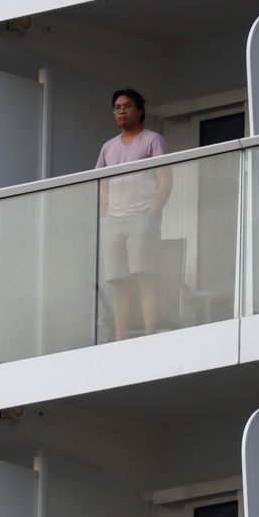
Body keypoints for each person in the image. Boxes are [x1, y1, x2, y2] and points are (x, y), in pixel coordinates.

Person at [95, 88, 173, 341]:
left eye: (127, 106)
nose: (121, 111)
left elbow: (165, 180)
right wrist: (104, 213)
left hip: (142, 216)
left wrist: (153, 213)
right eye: (117, 107)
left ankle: (151, 333)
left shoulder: (152, 140)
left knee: (143, 275)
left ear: (139, 110)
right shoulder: (108, 147)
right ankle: (121, 337)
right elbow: (101, 183)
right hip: (114, 220)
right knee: (117, 280)